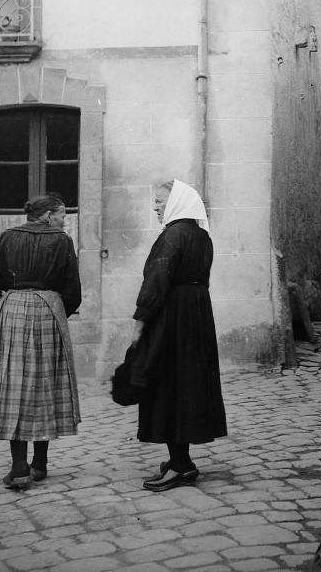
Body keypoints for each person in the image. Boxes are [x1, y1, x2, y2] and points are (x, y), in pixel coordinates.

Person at [131, 179, 227, 492]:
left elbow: (158, 279)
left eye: (160, 201)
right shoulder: (201, 235)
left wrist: (142, 319)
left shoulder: (172, 236)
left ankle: (182, 465)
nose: (155, 207)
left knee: (168, 386)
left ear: (176, 202)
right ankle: (178, 459)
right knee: (187, 386)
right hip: (195, 315)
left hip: (173, 317)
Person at [0, 193, 81, 489]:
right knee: (45, 384)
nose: (64, 220)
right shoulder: (62, 241)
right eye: (62, 215)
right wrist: (60, 310)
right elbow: (72, 289)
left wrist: (0, 308)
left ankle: (20, 467)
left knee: (15, 385)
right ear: (48, 215)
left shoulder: (7, 238)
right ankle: (39, 464)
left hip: (13, 312)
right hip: (50, 310)